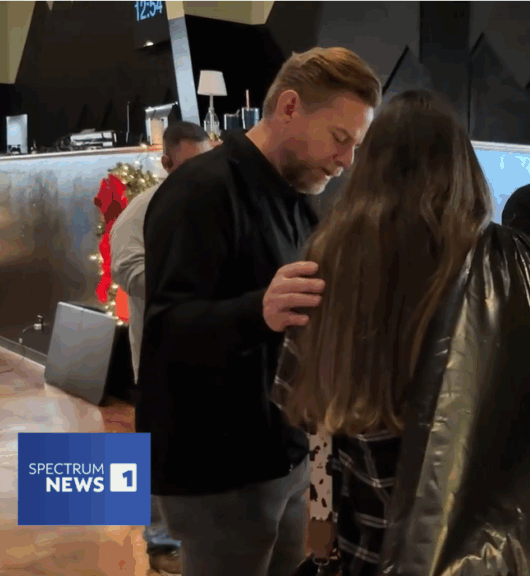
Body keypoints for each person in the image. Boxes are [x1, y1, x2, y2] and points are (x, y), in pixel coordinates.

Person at [275, 89, 530, 576]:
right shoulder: (510, 262)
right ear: (463, 170)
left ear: (370, 170)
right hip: (487, 550)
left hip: (367, 536)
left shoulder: (330, 261)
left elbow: (298, 403)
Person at [136, 47, 382, 576]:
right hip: (219, 470)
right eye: (341, 139)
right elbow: (165, 331)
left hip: (283, 455)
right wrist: (258, 312)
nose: (347, 162)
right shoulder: (200, 192)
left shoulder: (296, 197)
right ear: (290, 106)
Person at [109, 121, 211, 574]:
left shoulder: (216, 209)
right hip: (158, 357)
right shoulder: (139, 212)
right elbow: (127, 271)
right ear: (167, 163)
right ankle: (161, 542)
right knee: (157, 449)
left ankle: (202, 534)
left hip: (212, 351)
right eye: (190, 167)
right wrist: (189, 282)